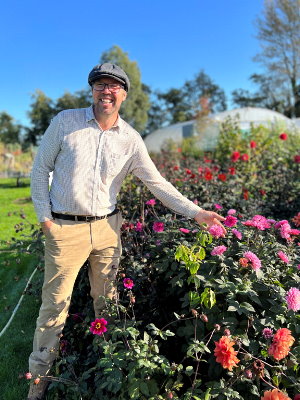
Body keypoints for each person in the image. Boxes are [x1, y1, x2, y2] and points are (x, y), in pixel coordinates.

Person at [28, 63, 226, 399]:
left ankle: (108, 372)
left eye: (114, 86)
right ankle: (38, 383)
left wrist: (196, 213)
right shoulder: (65, 122)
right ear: (92, 89)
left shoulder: (130, 139)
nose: (107, 91)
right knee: (54, 307)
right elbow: (39, 171)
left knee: (108, 304)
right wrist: (47, 220)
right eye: (100, 85)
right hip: (65, 228)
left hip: (107, 229)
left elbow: (156, 183)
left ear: (124, 94)